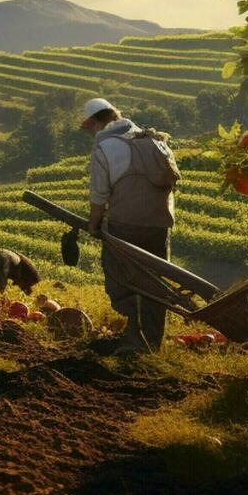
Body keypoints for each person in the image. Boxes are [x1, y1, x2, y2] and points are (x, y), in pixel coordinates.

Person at [80, 96, 180, 353]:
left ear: (93, 121)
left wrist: (93, 225)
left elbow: (99, 196)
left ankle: (135, 339)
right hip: (160, 225)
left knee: (121, 280)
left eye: (89, 125)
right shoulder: (155, 141)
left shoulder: (105, 147)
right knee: (156, 283)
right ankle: (152, 344)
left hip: (126, 225)